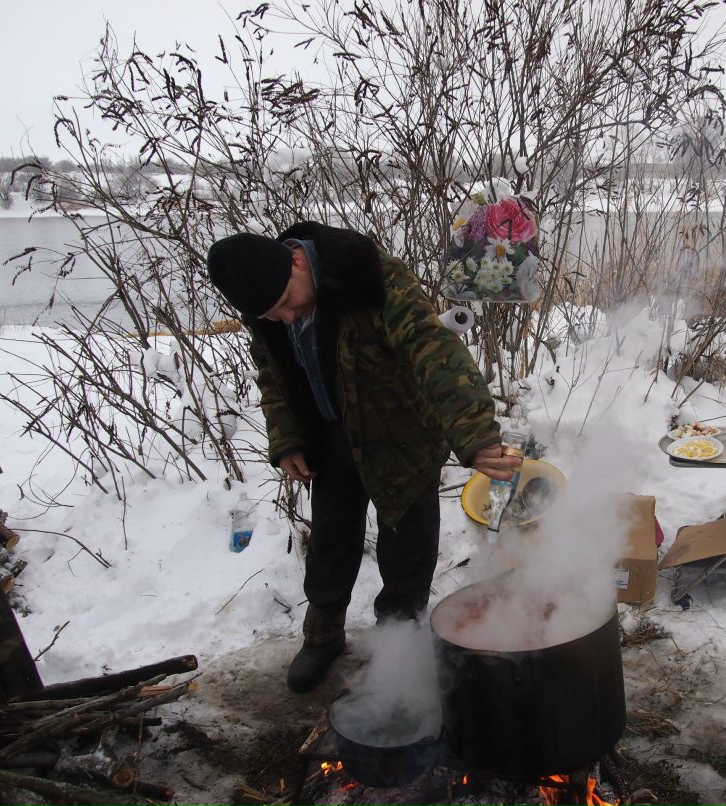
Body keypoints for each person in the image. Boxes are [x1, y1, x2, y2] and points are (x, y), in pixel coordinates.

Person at [206, 222, 520, 693]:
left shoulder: (372, 277)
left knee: (406, 558)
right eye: (273, 317)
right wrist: (288, 439)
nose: (287, 319)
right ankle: (322, 637)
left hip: (401, 440)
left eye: (289, 304)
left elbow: (434, 352)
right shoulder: (270, 304)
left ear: (295, 261)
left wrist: (475, 434)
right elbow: (272, 376)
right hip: (329, 441)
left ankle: (398, 651)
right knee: (331, 545)